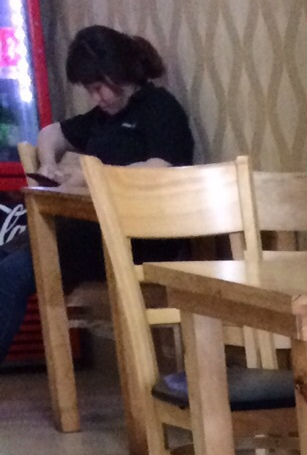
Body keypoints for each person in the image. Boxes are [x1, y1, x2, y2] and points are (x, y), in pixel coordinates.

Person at [0, 27, 194, 367]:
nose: (96, 98)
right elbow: (52, 132)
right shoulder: (102, 118)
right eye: (90, 90)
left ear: (118, 71)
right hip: (91, 232)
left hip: (138, 238)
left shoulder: (159, 108)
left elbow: (161, 169)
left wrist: (91, 178)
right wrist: (49, 164)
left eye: (98, 87)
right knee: (8, 261)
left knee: (11, 274)